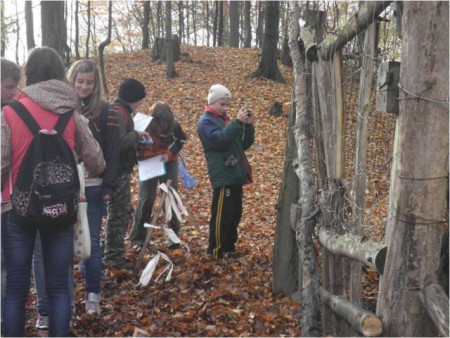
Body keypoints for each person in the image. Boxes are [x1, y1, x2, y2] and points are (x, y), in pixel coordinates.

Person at [1, 46, 105, 337]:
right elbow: (97, 160)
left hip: (15, 209)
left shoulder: (9, 112)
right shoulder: (71, 114)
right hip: (60, 208)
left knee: (16, 289)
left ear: (28, 74)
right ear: (61, 74)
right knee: (59, 286)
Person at [197, 84, 255, 260]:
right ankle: (216, 250)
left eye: (227, 105)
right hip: (223, 174)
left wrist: (247, 126)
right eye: (222, 104)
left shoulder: (225, 121)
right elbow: (221, 141)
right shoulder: (206, 122)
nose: (225, 108)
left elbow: (242, 144)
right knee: (222, 214)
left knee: (235, 213)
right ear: (212, 102)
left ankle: (229, 246)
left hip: (234, 172)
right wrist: (237, 123)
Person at [103, 78, 149, 269]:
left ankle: (114, 252)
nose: (141, 102)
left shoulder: (119, 110)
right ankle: (113, 256)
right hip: (118, 171)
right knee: (118, 213)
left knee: (119, 212)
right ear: (134, 98)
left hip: (118, 169)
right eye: (140, 99)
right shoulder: (119, 113)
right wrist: (137, 135)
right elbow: (119, 142)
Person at [130, 102, 187, 250]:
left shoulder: (174, 125)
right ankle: (138, 237)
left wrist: (169, 153)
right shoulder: (142, 124)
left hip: (168, 161)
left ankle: (173, 237)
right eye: (159, 125)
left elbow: (181, 140)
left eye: (165, 125)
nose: (162, 128)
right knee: (147, 198)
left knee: (170, 196)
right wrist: (142, 157)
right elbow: (132, 145)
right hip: (148, 163)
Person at [1, 57, 21, 326]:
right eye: (8, 87)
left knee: (5, 264)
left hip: (7, 202)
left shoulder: (12, 115)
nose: (13, 93)